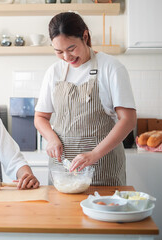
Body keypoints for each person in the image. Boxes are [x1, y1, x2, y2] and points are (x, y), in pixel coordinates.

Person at [34, 12, 136, 186]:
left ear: (85, 36)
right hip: (63, 171)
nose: (66, 57)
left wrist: (94, 154)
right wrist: (51, 138)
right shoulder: (54, 72)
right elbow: (40, 117)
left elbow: (128, 119)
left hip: (102, 168)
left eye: (71, 48)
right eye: (59, 51)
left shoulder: (111, 67)